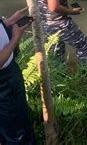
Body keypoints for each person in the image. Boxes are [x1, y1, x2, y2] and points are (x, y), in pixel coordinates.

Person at [0, 8, 36, 144]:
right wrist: (15, 37)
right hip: (2, 83)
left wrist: (9, 22)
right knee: (13, 130)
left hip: (10, 72)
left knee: (22, 117)